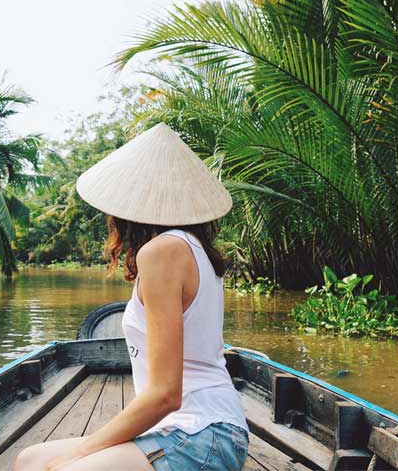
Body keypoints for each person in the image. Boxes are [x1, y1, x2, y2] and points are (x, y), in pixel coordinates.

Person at [14, 123, 249, 471]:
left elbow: (167, 394)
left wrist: (81, 453)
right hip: (187, 428)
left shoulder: (163, 251)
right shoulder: (192, 248)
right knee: (29, 460)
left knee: (62, 468)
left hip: (203, 432)